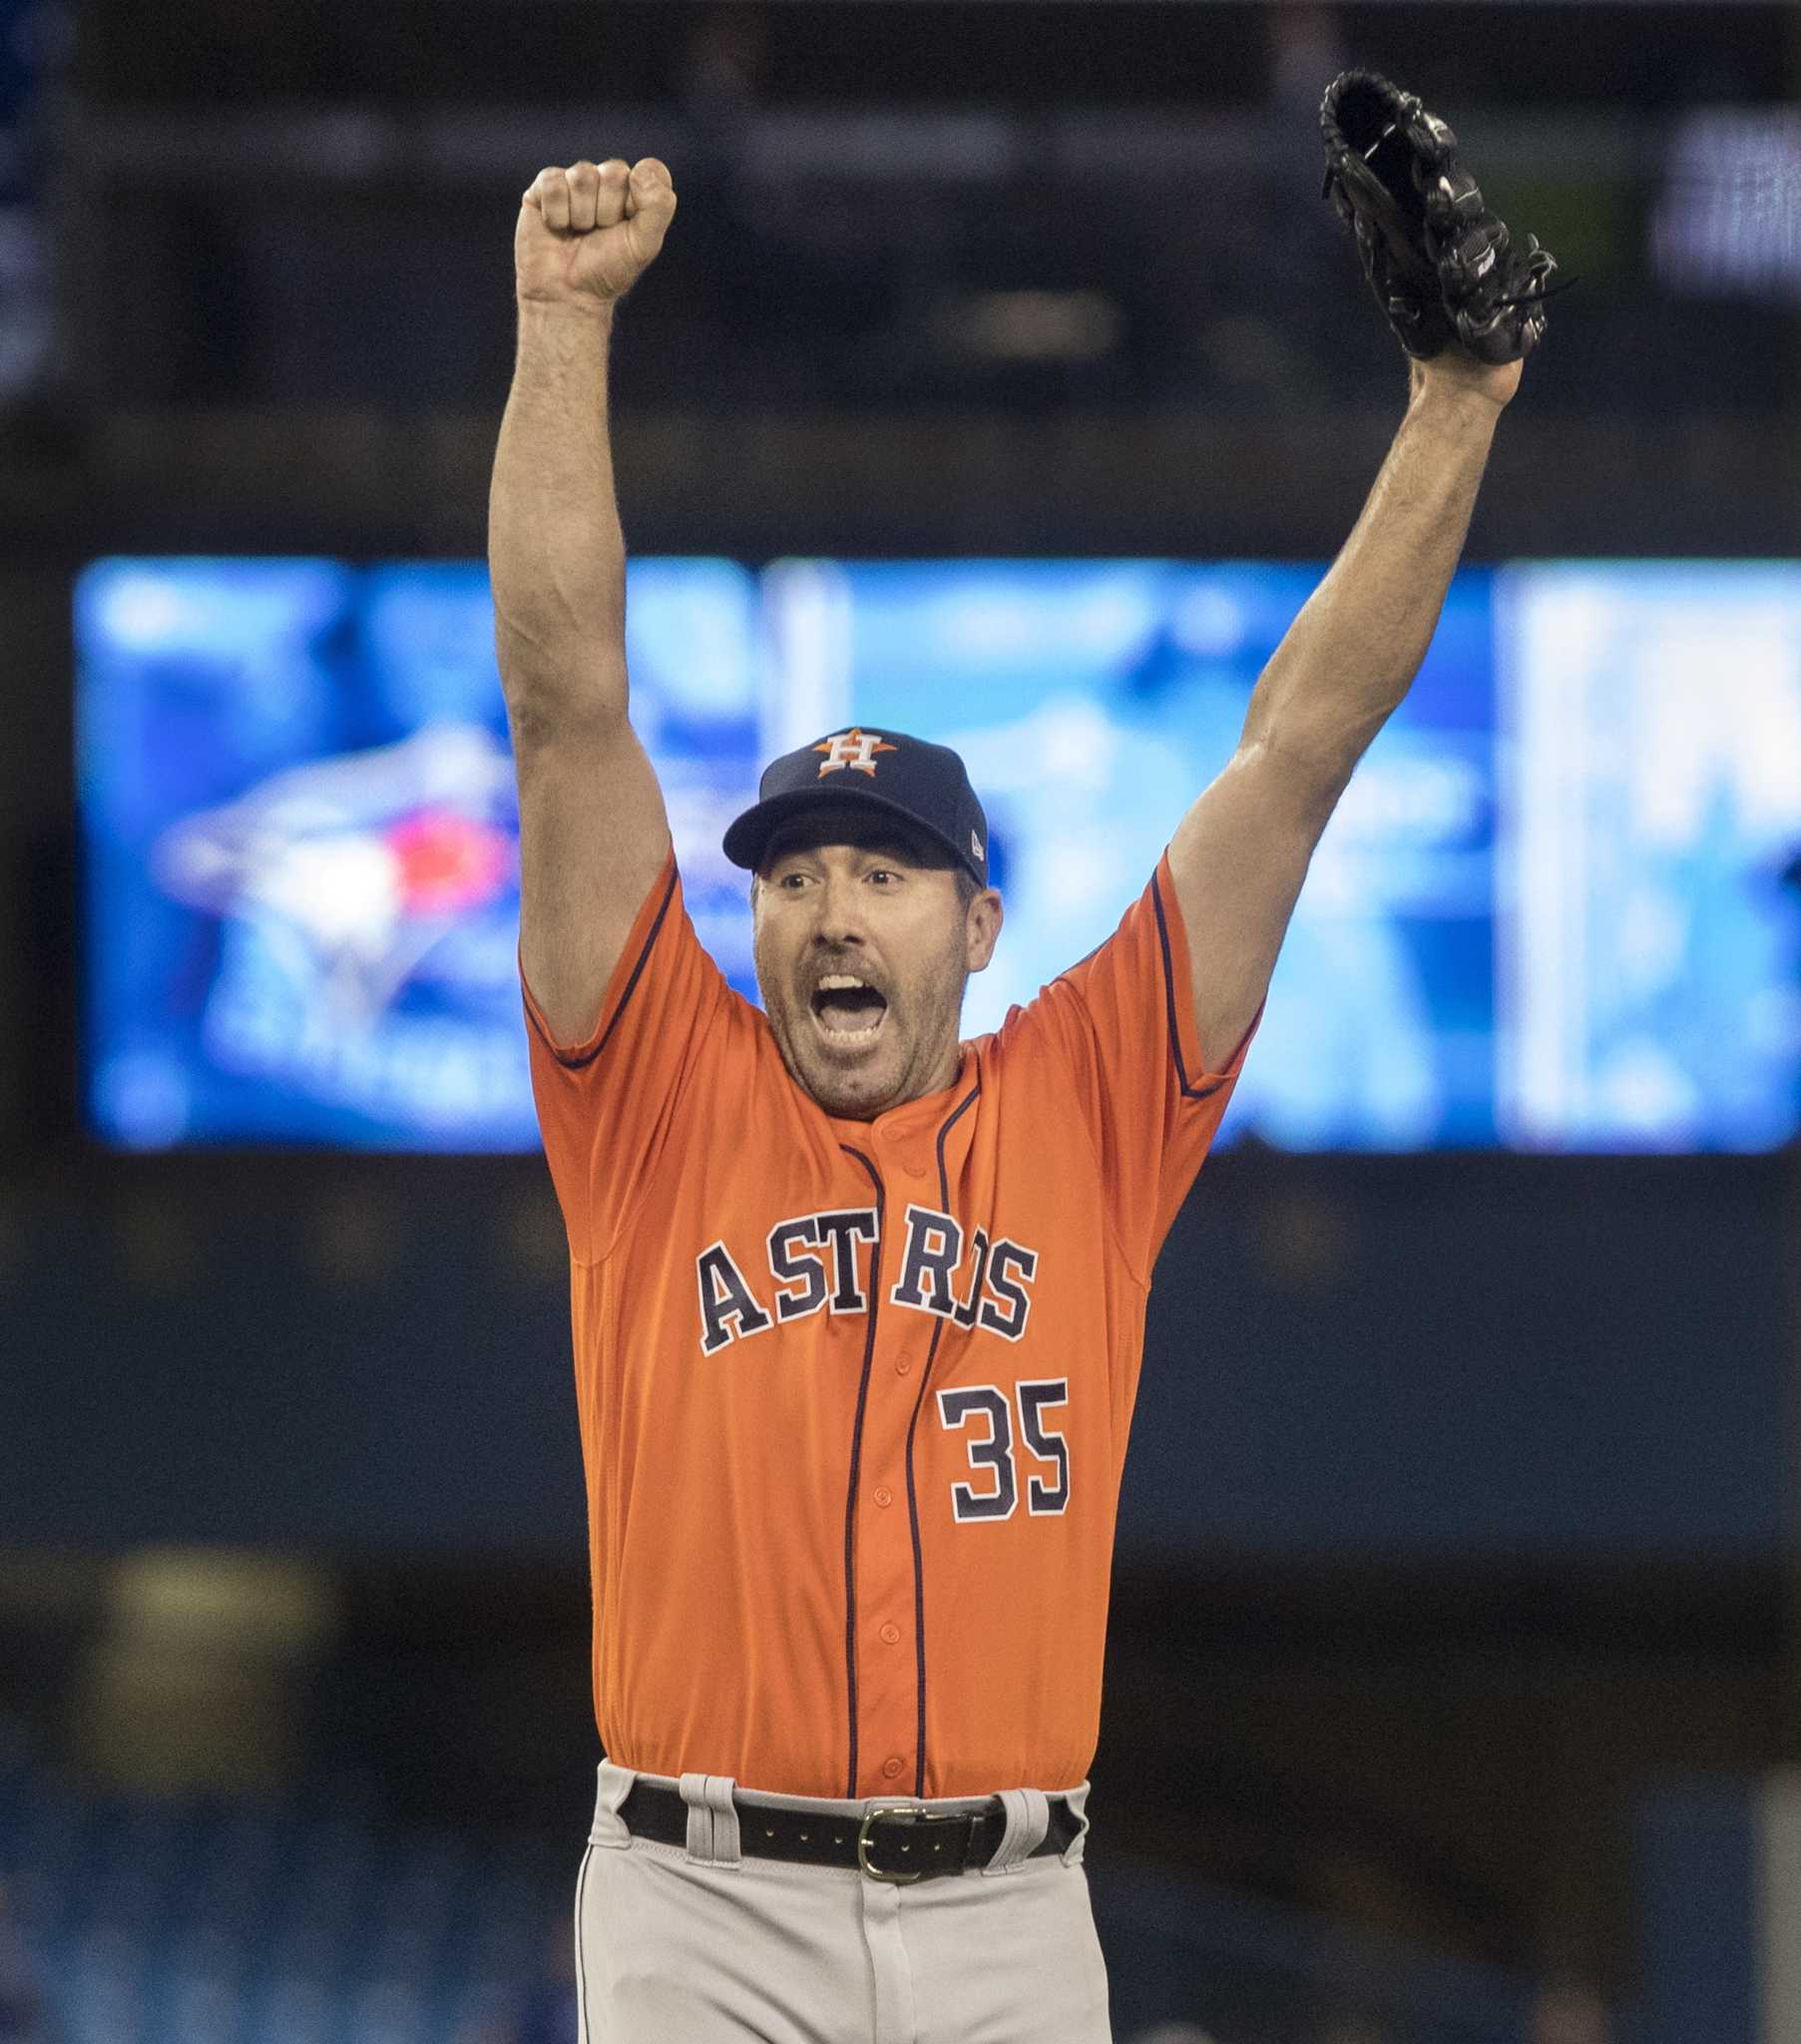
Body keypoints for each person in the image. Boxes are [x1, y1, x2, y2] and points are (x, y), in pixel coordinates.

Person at [490, 154, 1523, 2044]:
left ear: (975, 920)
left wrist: (1459, 400)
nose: (825, 911)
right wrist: (562, 330)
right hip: (700, 1905)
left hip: (1012, 1916)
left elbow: (1297, 749)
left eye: (878, 873)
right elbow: (567, 707)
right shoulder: (651, 1091)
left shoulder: (1094, 1100)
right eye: (789, 874)